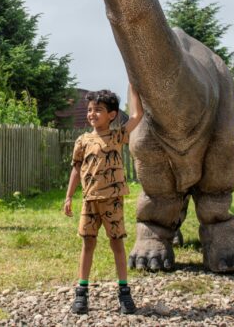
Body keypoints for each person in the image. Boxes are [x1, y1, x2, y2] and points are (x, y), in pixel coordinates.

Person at [63, 86, 143, 316]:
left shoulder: (118, 135)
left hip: (113, 201)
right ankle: (82, 291)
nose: (92, 114)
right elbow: (76, 170)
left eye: (98, 110)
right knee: (88, 244)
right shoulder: (82, 140)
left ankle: (124, 291)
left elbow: (138, 116)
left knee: (116, 243)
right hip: (89, 201)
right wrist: (69, 196)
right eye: (90, 110)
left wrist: (134, 87)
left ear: (112, 115)